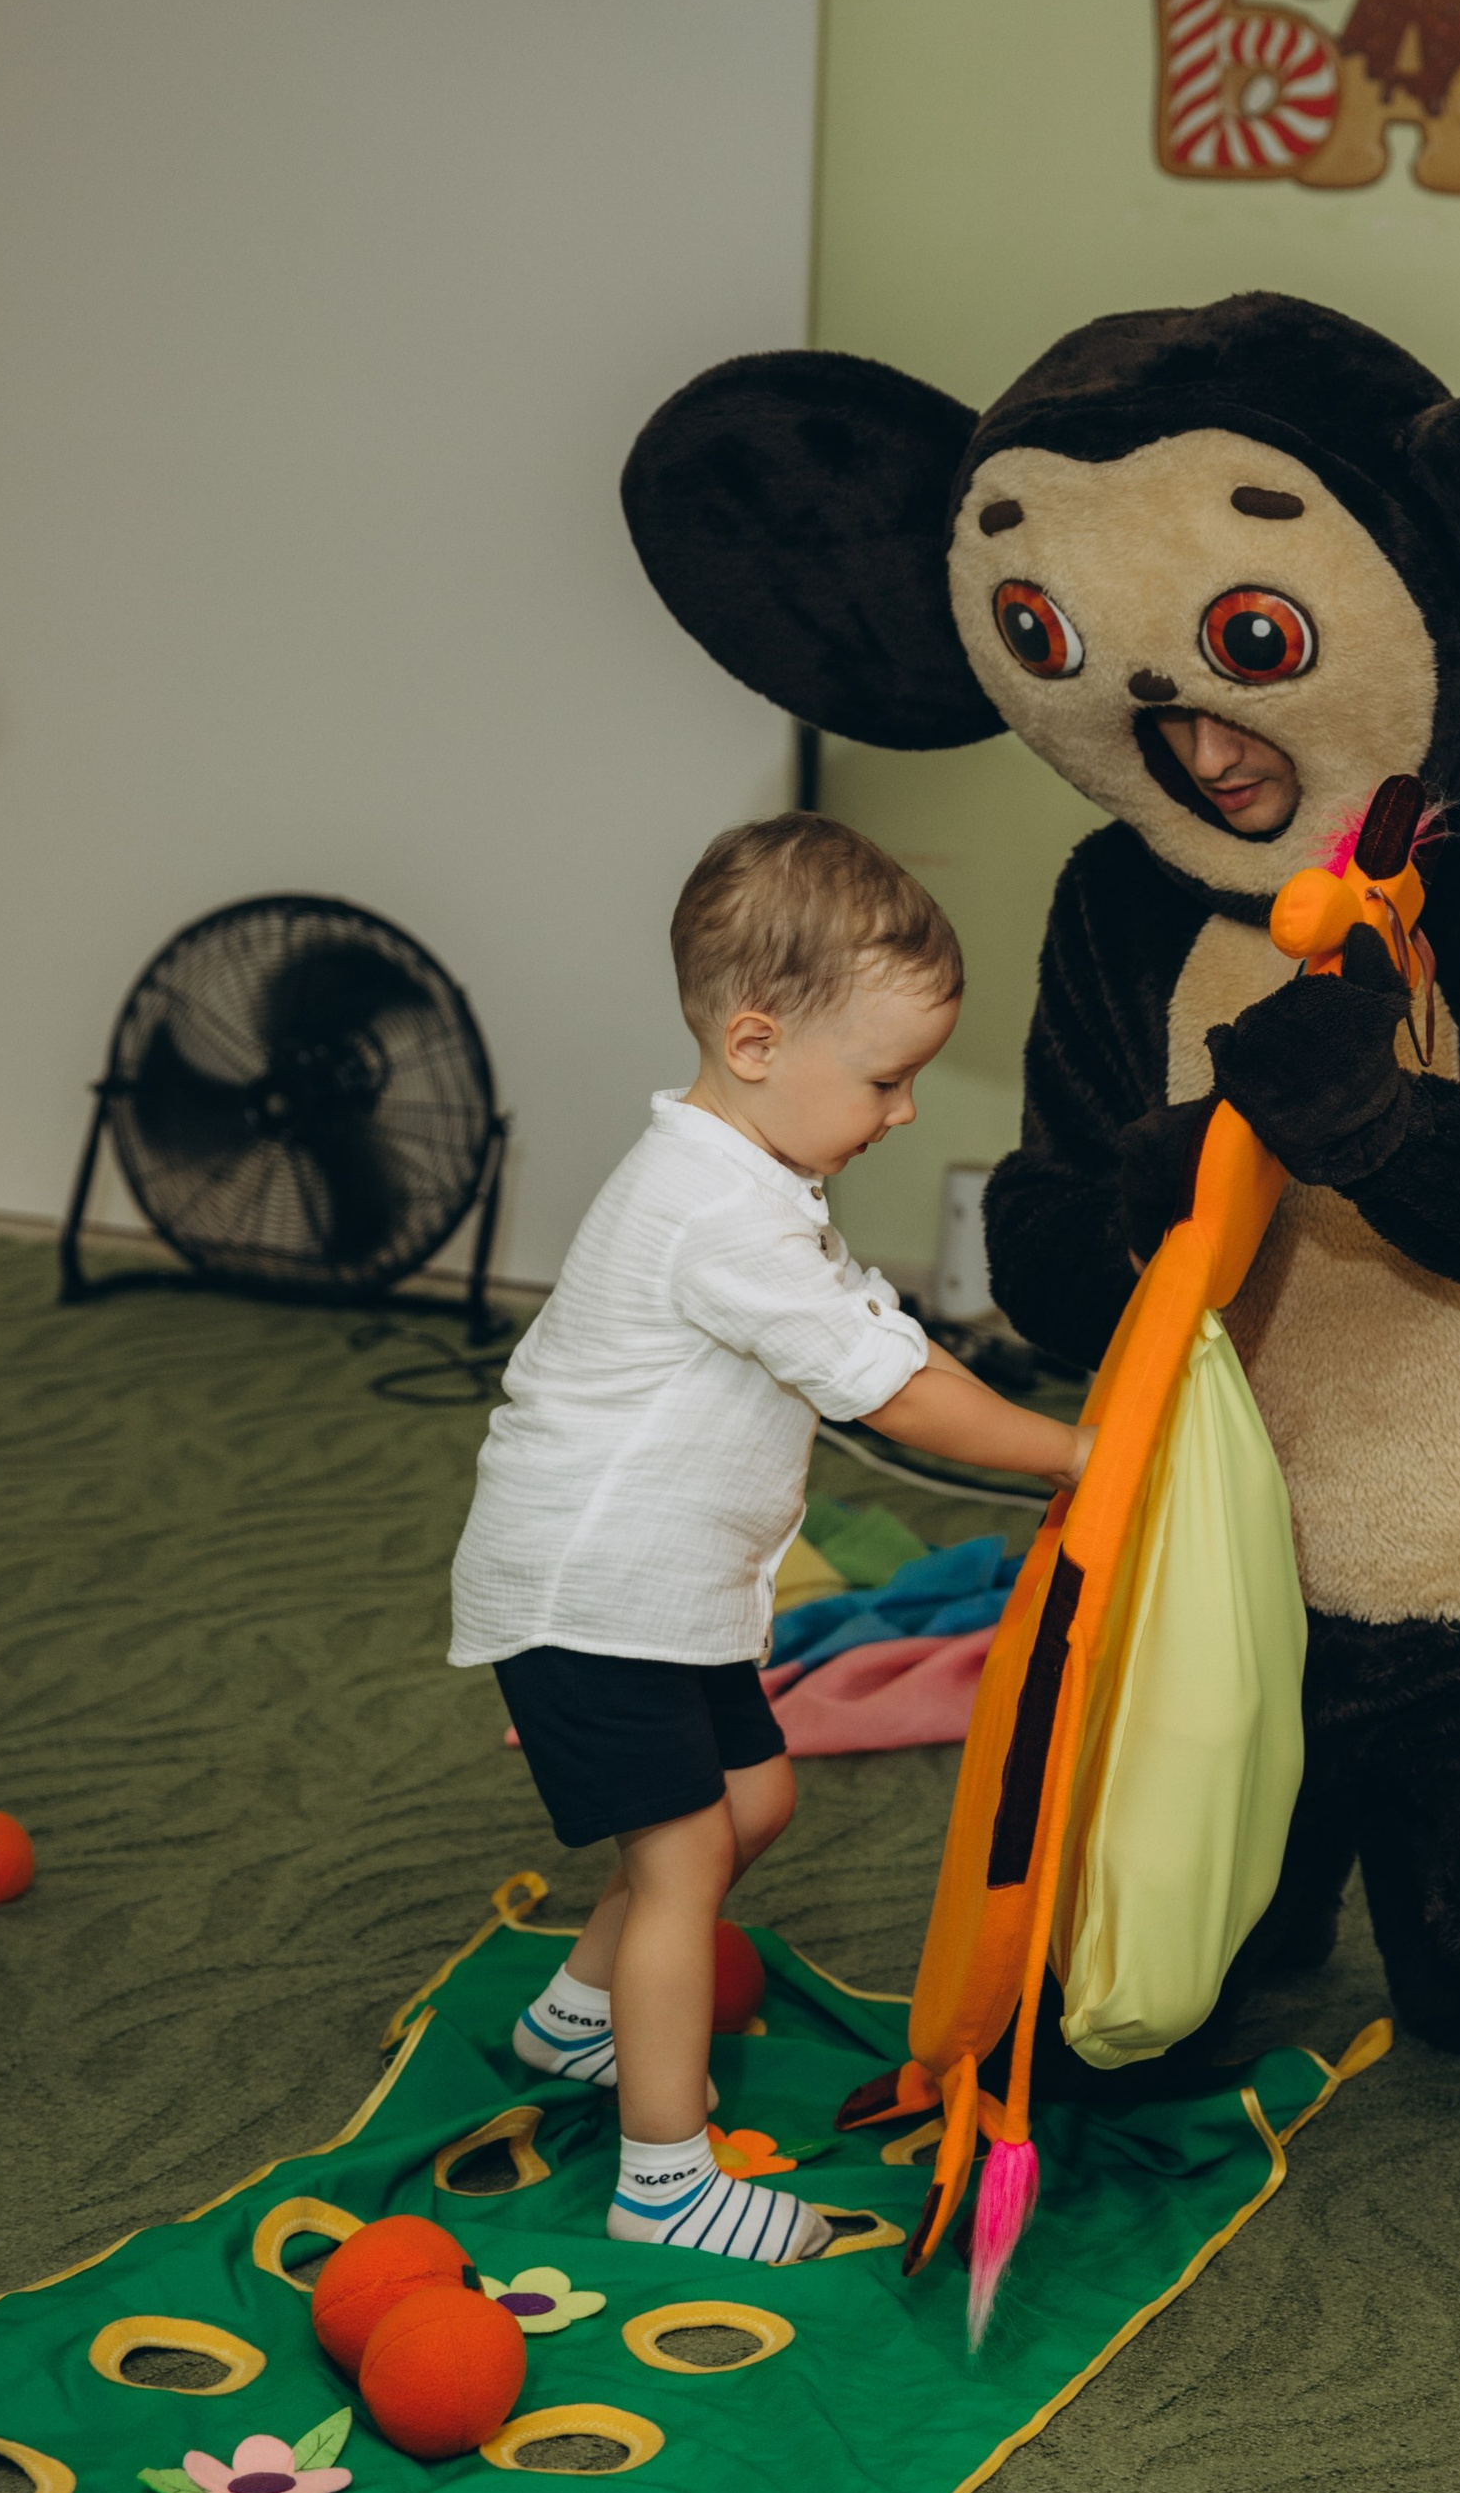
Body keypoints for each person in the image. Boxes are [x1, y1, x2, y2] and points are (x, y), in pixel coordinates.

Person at [449, 813, 1092, 2266]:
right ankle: (665, 2183)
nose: (903, 1113)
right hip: (588, 1589)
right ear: (755, 1043)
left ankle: (577, 2018)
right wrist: (1077, 1453)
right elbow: (896, 1392)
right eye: (885, 1079)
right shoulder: (712, 1211)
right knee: (684, 1857)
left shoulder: (756, 1182)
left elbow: (881, 1332)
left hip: (672, 1590)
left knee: (754, 1798)